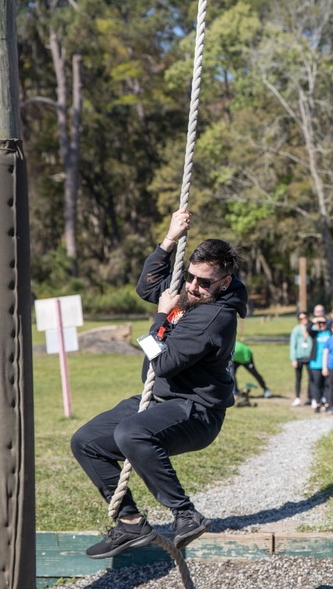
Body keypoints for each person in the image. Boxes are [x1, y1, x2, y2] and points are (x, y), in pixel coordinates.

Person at [70, 208, 247, 558]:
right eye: (190, 277)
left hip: (196, 412)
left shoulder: (214, 317)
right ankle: (131, 524)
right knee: (86, 441)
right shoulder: (192, 293)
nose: (193, 287)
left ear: (224, 283)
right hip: (159, 402)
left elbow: (162, 362)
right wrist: (169, 239)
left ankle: (186, 515)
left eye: (204, 282)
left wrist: (161, 318)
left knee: (131, 433)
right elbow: (147, 286)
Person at [289, 312, 313, 406]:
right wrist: (293, 359)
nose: (304, 320)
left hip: (310, 357)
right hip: (299, 357)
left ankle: (310, 397)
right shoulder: (296, 329)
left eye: (305, 317)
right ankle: (297, 397)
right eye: (301, 318)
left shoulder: (312, 328)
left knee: (311, 378)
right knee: (298, 378)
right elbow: (293, 345)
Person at [307, 315, 330, 412]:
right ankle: (317, 402)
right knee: (316, 384)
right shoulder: (315, 334)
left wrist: (326, 321)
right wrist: (314, 321)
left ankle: (326, 401)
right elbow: (308, 328)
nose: (321, 325)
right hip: (315, 363)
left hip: (328, 363)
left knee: (327, 384)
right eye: (319, 323)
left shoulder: (330, 333)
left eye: (323, 323)